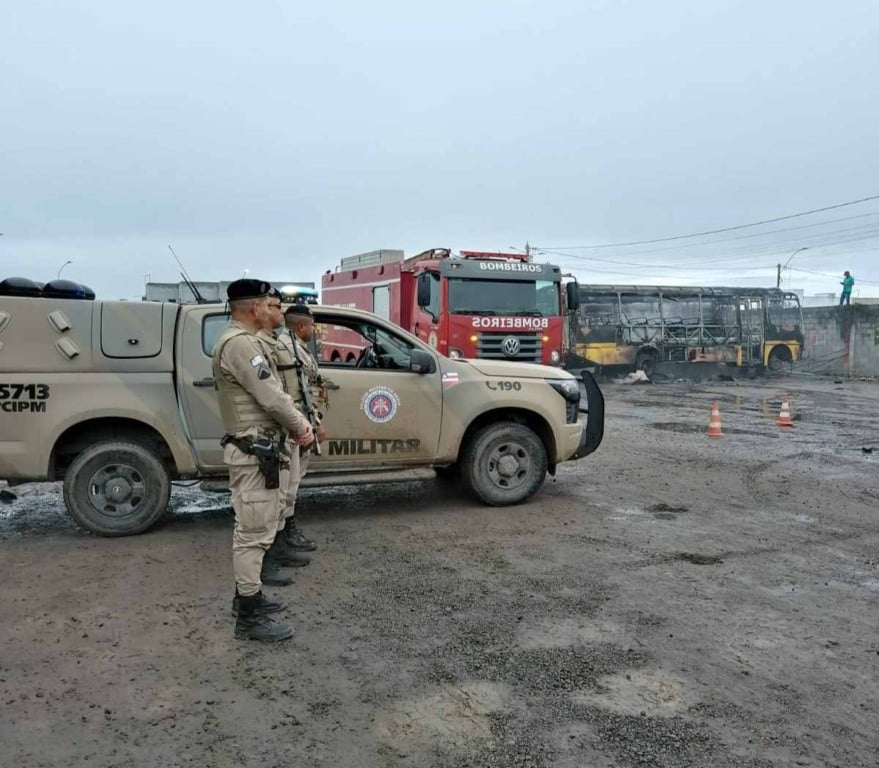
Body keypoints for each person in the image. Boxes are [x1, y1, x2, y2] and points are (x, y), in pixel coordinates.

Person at [212, 279, 313, 642]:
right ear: (255, 307)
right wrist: (302, 426)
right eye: (269, 304)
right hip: (254, 451)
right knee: (252, 534)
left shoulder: (250, 342)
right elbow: (272, 397)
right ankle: (249, 618)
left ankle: (248, 600)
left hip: (263, 449)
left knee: (260, 527)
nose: (275, 311)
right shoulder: (240, 345)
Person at [274, 303, 331, 554]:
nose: (313, 329)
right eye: (311, 325)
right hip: (293, 424)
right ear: (300, 325)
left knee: (293, 483)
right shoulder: (285, 347)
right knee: (287, 485)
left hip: (302, 420)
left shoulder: (297, 347)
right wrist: (304, 425)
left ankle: (286, 531)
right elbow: (291, 393)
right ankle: (282, 536)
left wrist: (315, 421)